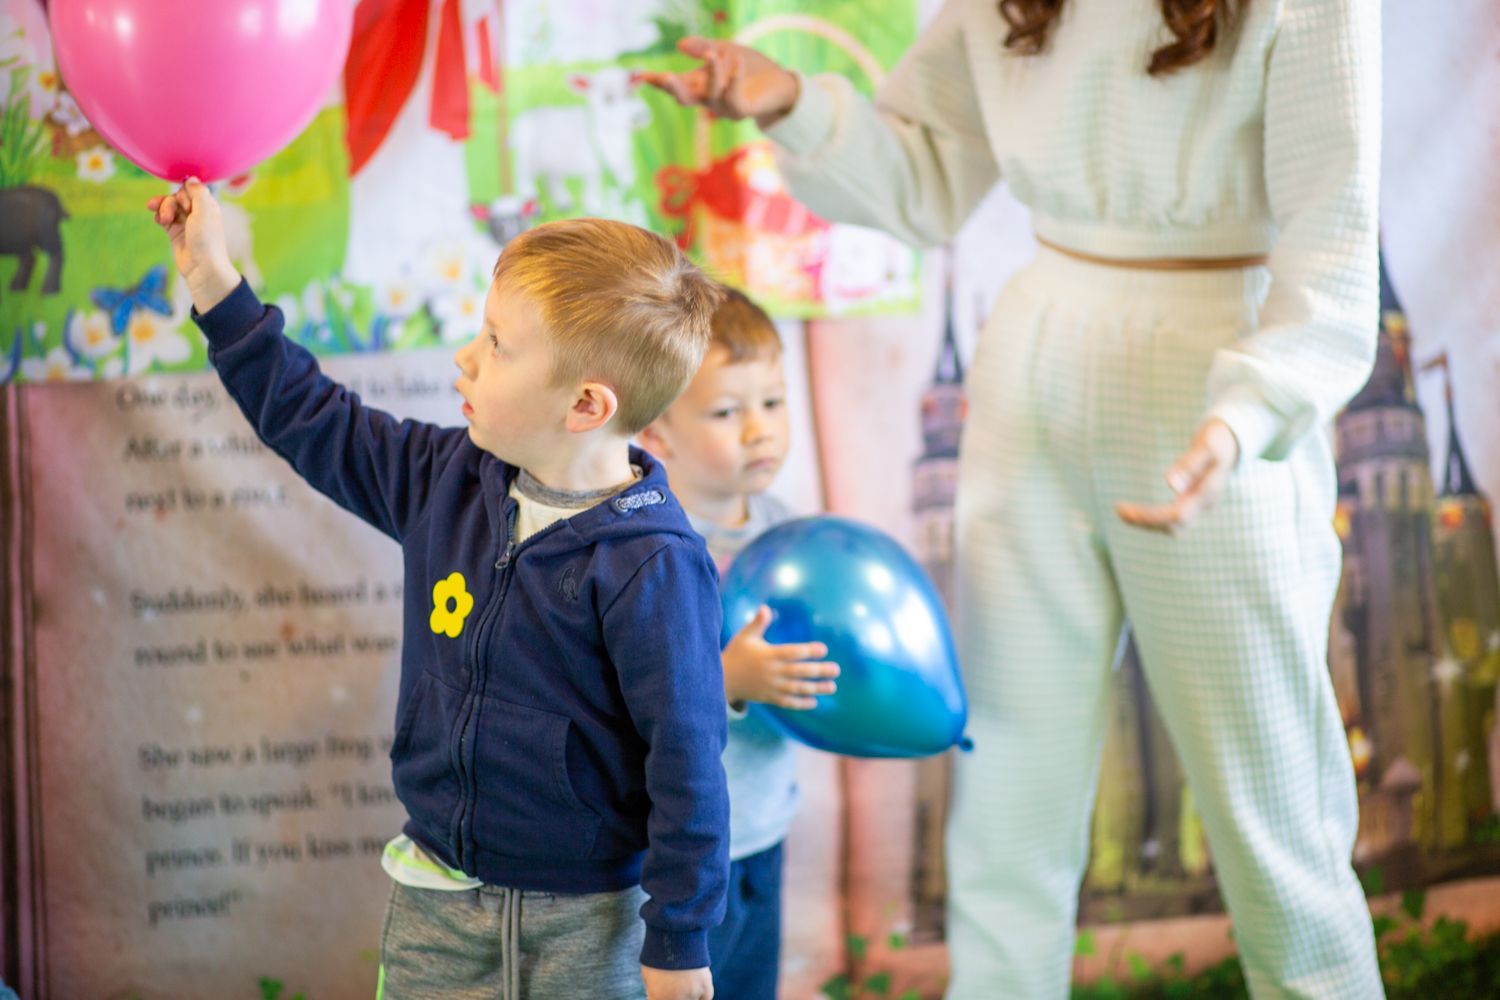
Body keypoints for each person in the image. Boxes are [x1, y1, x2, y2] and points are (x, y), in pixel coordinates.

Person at [644, 0, 1385, 996]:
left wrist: (1252, 412)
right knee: (1005, 788)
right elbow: (927, 176)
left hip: (1218, 361)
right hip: (1038, 353)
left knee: (1273, 797)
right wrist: (787, 102)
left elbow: (1333, 237)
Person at [149, 181, 729, 1000]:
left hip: (592, 922)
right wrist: (213, 281)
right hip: (437, 898)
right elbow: (311, 417)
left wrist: (679, 941)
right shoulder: (445, 479)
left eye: (496, 344)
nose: (465, 358)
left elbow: (689, 763)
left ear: (586, 405)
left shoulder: (653, 564)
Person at [639, 286, 837, 999]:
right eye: (727, 412)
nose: (760, 431)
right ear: (656, 434)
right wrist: (725, 680)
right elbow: (624, 698)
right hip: (675, 857)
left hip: (763, 824)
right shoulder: (646, 545)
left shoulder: (787, 531)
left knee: (752, 985)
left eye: (774, 403)